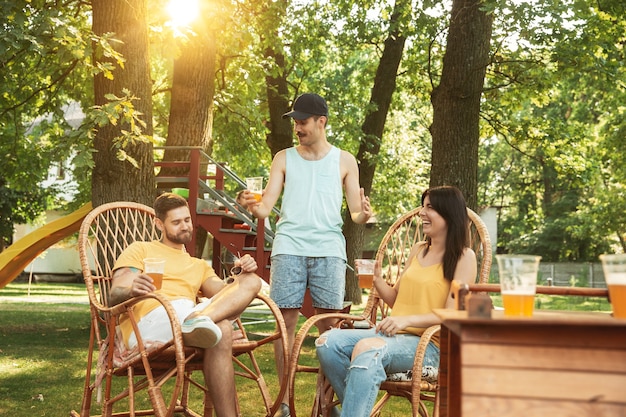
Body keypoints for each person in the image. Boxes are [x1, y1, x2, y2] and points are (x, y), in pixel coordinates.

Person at [244, 92, 373, 417]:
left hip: (329, 251)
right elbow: (264, 209)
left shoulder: (345, 160)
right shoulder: (283, 157)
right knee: (284, 324)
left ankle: (326, 404)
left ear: (321, 122)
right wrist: (252, 204)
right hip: (289, 248)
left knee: (329, 329)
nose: (297, 128)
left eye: (302, 122)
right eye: (295, 122)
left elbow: (355, 214)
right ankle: (285, 403)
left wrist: (365, 215)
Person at [315, 186, 477, 416]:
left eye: (430, 207)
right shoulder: (418, 250)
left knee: (367, 349)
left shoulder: (464, 257)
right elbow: (396, 300)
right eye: (423, 206)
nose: (422, 212)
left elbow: (452, 316)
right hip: (394, 338)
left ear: (449, 213)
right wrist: (378, 282)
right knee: (327, 343)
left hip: (432, 346)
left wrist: (405, 321)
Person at [109, 192, 262, 417]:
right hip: (149, 321)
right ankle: (198, 320)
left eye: (187, 220)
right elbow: (114, 294)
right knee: (221, 326)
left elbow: (224, 295)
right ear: (159, 224)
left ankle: (198, 321)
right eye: (177, 222)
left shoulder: (198, 265)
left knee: (250, 284)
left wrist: (240, 273)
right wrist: (131, 289)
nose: (185, 226)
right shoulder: (141, 249)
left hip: (188, 318)